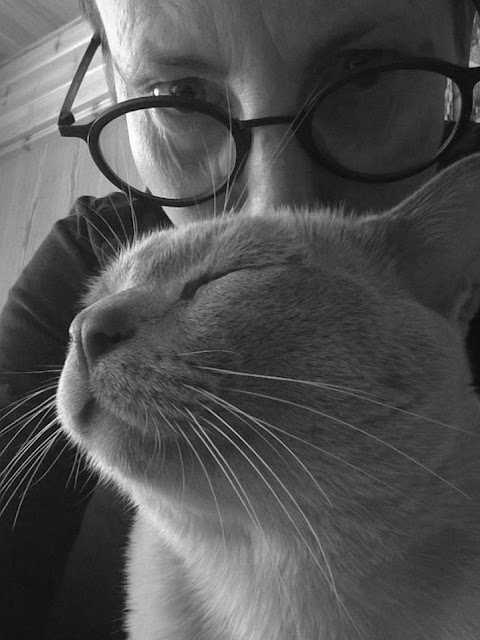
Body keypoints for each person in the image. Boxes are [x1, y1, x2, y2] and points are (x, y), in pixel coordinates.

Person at [1, 0, 480, 638]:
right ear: (117, 86)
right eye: (179, 94)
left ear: (464, 45)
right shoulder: (88, 248)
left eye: (365, 72)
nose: (275, 200)